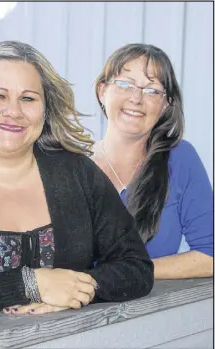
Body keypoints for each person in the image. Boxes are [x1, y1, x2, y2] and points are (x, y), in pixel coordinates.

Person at [0, 40, 154, 316]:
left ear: (45, 109)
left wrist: (79, 288)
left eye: (28, 98)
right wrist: (31, 284)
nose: (14, 111)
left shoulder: (78, 173)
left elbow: (136, 267)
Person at [91, 43, 213, 279]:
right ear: (102, 91)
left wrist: (125, 273)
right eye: (125, 84)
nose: (136, 98)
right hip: (73, 313)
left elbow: (209, 256)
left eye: (151, 90)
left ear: (165, 104)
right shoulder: (71, 165)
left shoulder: (179, 159)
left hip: (149, 312)